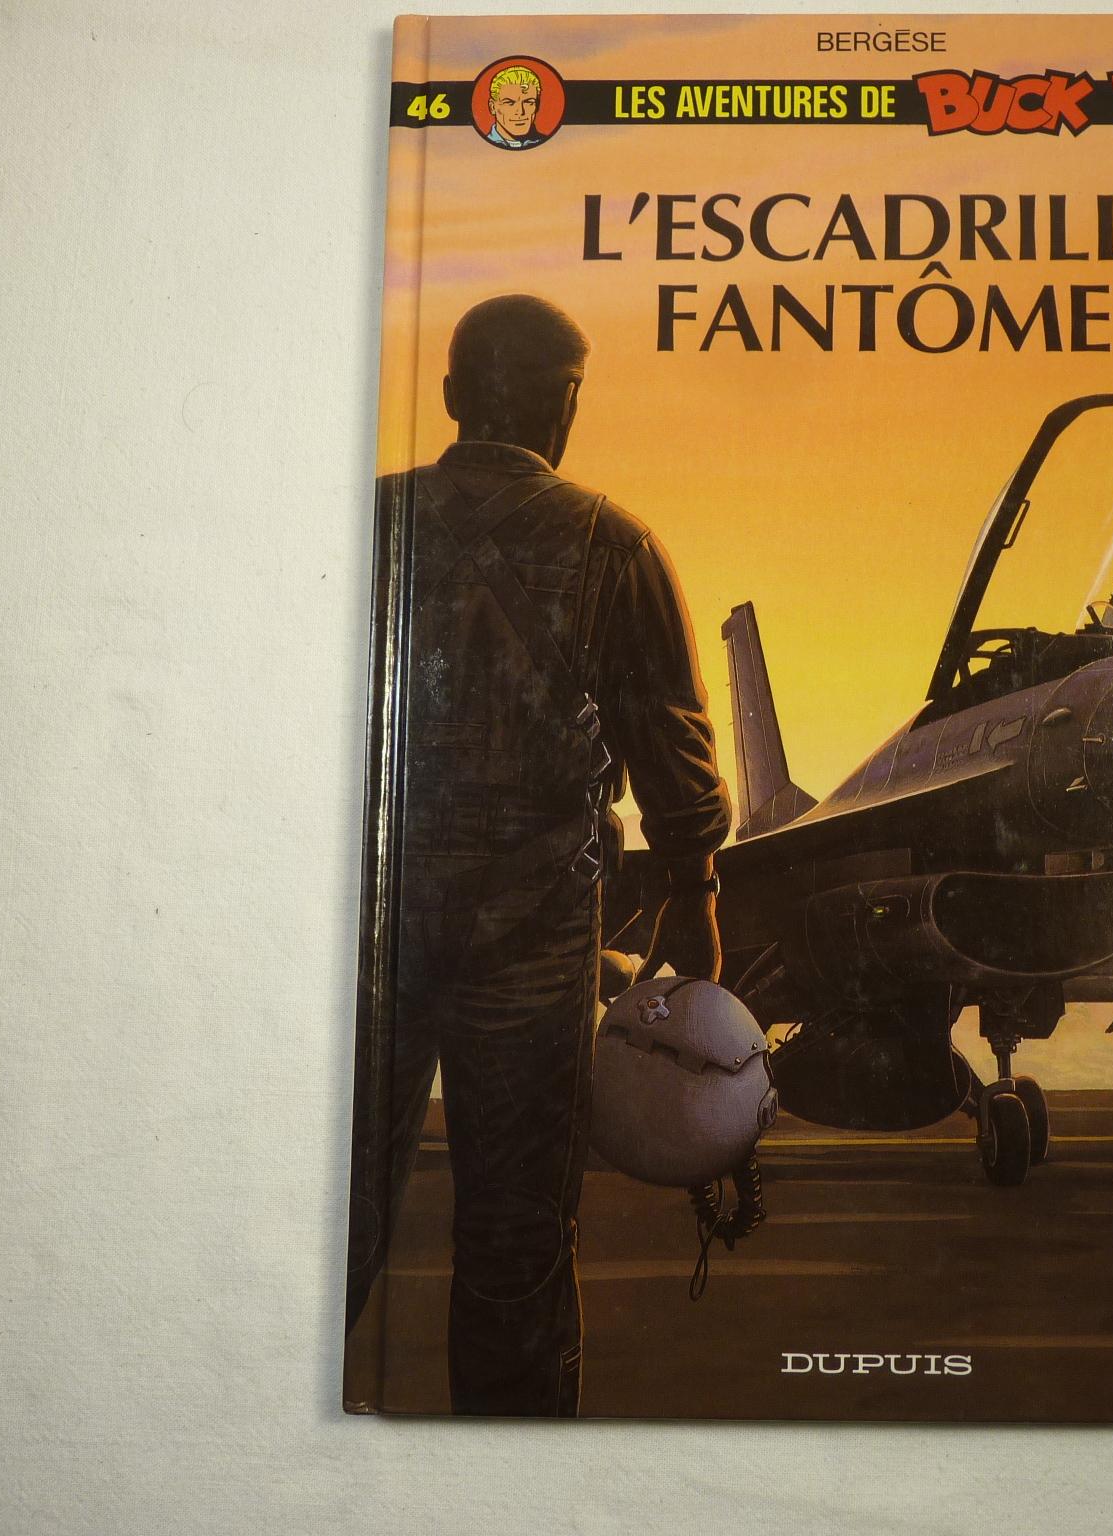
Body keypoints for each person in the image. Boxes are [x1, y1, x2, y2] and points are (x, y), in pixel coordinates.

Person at [349, 293, 731, 1414]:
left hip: (366, 927)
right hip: (532, 937)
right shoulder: (615, 545)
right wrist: (696, 892)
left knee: (327, 1212)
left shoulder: (360, 526)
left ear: (452, 396)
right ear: (567, 404)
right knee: (517, 1238)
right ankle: (508, 1478)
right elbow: (674, 749)